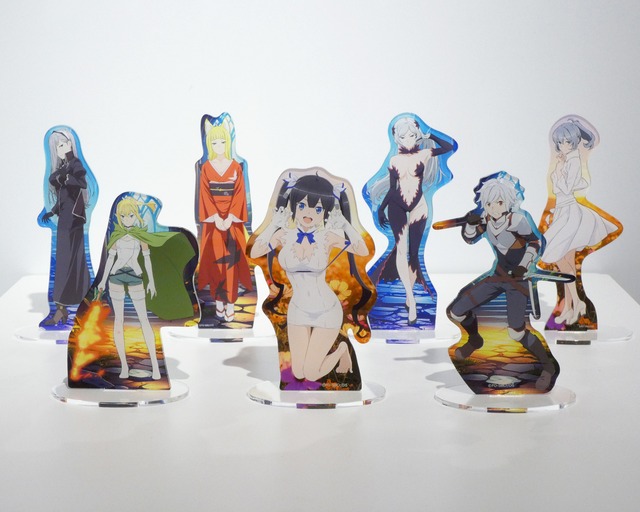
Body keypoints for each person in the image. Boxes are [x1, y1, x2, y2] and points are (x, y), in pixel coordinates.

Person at [250, 172, 371, 384]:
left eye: (318, 209)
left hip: (326, 310)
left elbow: (362, 250)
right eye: (302, 205)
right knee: (298, 373)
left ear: (325, 213)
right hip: (298, 309)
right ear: (293, 207)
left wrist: (345, 225)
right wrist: (272, 225)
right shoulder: (284, 234)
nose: (309, 213)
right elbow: (254, 252)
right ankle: (336, 353)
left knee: (313, 373)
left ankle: (342, 350)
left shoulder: (327, 237)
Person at [447, 173, 559, 392]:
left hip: (517, 280)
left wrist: (524, 264)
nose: (494, 208)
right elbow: (470, 238)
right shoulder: (486, 219)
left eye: (499, 202)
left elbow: (535, 243)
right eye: (489, 204)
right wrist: (470, 225)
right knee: (456, 312)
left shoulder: (518, 220)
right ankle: (474, 340)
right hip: (497, 276)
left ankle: (548, 366)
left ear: (508, 201)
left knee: (516, 332)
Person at [367, 115, 455, 324]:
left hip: (419, 205)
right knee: (401, 249)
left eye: (412, 136)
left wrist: (429, 134)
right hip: (397, 205)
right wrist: (381, 209)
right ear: (397, 139)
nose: (408, 140)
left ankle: (409, 296)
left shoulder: (424, 154)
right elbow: (392, 188)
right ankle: (411, 299)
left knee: (414, 254)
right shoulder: (394, 160)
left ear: (417, 136)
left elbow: (449, 147)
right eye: (403, 136)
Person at [539, 117, 620, 326]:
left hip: (570, 213)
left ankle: (575, 303)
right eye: (559, 142)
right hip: (562, 211)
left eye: (566, 142)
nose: (562, 146)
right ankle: (571, 306)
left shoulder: (573, 161)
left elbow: (565, 189)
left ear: (574, 141)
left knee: (560, 259)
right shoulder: (569, 160)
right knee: (565, 262)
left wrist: (558, 171)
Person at [197, 122, 252, 323]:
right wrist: (215, 217)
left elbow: (239, 194)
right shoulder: (206, 167)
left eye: (222, 142)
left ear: (228, 143)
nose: (219, 146)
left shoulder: (236, 166)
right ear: (209, 145)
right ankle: (218, 302)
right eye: (214, 143)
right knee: (215, 263)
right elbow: (204, 194)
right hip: (213, 223)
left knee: (231, 264)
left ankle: (230, 304)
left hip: (232, 221)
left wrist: (229, 217)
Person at [38, 128, 94, 326]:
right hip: (64, 220)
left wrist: (66, 178)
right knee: (63, 261)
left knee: (75, 261)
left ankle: (81, 304)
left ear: (70, 144)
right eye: (57, 147)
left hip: (74, 221)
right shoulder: (63, 167)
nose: (60, 149)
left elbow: (82, 183)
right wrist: (51, 212)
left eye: (62, 145)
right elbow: (63, 197)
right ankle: (61, 309)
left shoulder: (75, 164)